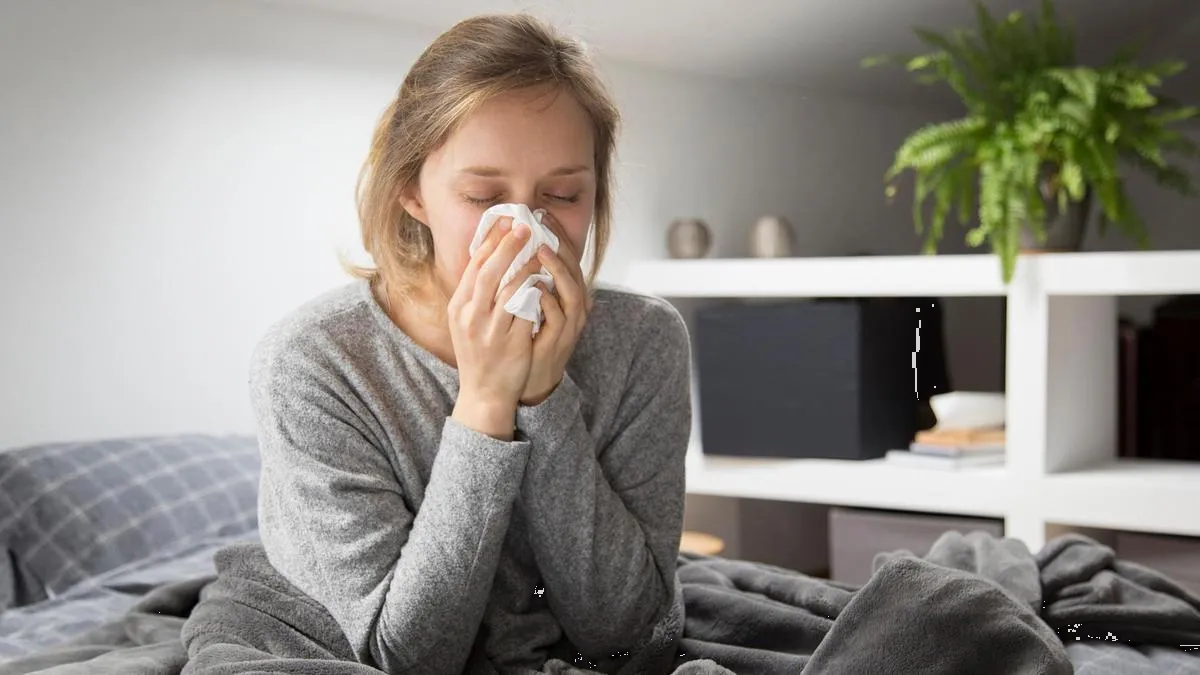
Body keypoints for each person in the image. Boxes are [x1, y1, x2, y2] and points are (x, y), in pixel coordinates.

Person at [248, 12, 692, 675]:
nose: (526, 229)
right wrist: (486, 399)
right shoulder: (315, 362)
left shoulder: (644, 339)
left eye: (563, 194)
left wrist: (543, 397)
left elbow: (633, 638)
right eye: (483, 195)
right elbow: (409, 657)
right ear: (410, 190)